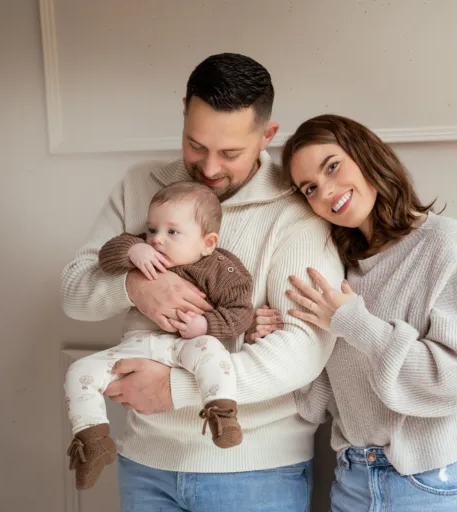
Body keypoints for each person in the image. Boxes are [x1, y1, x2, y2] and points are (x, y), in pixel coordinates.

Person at [60, 53, 344, 511]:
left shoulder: (295, 209)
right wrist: (137, 287)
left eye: (230, 153)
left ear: (267, 136)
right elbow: (75, 292)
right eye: (195, 145)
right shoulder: (140, 184)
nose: (210, 168)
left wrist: (176, 389)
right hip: (144, 462)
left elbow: (306, 343)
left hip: (254, 470)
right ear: (184, 114)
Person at [253, 114, 457, 511]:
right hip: (353, 481)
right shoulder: (341, 272)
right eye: (310, 188)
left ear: (365, 154)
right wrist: (276, 335)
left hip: (435, 484)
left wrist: (356, 324)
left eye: (332, 166)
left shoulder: (447, 245)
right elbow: (317, 404)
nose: (327, 192)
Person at [64, 181, 253, 491]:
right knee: (79, 371)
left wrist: (206, 325)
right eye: (152, 230)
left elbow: (240, 313)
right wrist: (133, 250)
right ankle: (93, 440)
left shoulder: (223, 270)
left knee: (213, 354)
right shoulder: (142, 248)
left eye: (172, 232)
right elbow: (107, 254)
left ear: (208, 242)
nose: (157, 240)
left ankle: (222, 414)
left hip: (186, 345)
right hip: (135, 347)